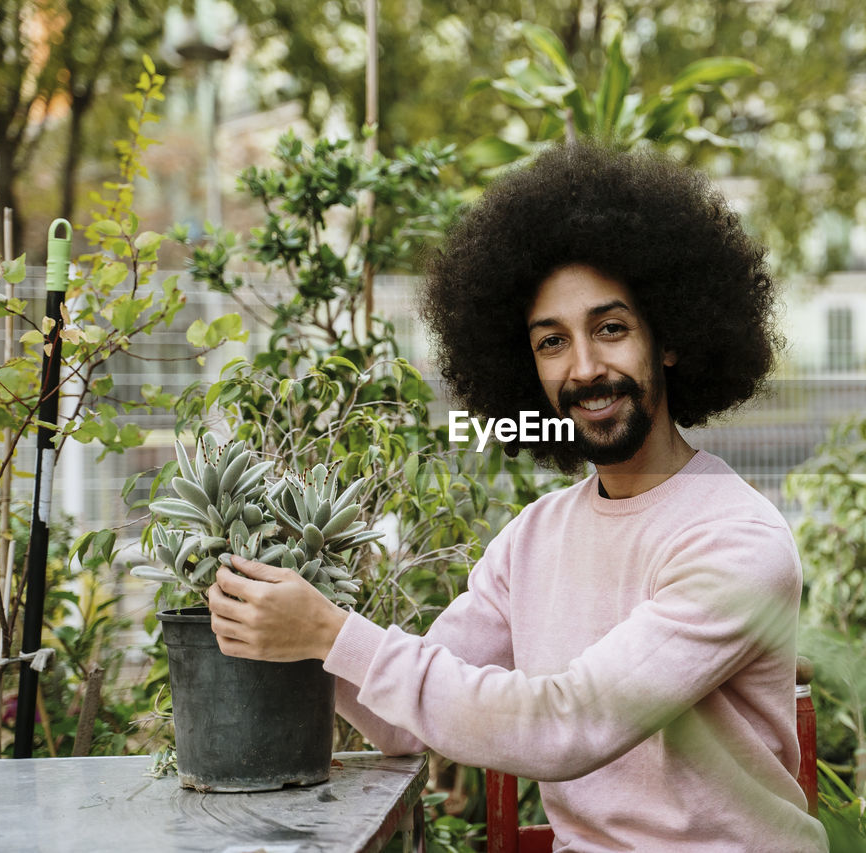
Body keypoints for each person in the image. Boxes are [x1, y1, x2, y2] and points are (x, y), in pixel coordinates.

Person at [208, 142, 829, 852]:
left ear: (671, 340)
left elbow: (571, 723)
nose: (585, 367)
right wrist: (293, 631)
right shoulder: (534, 537)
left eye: (611, 329)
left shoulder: (737, 538)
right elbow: (403, 725)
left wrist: (329, 632)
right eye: (551, 342)